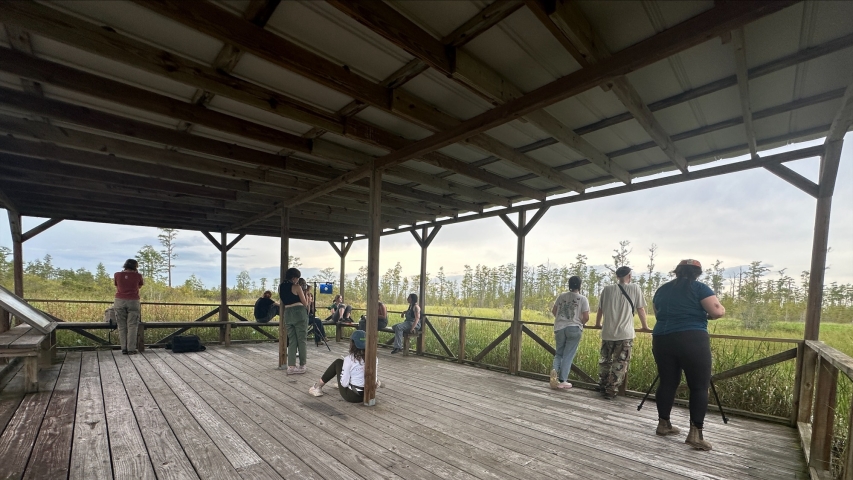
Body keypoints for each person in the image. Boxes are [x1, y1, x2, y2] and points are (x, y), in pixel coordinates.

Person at [652, 259, 725, 451]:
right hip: (692, 338)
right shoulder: (699, 288)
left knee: (667, 382)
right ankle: (695, 435)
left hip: (662, 338)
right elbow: (717, 311)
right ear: (697, 273)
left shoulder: (662, 290)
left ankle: (663, 424)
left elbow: (658, 312)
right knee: (699, 386)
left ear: (677, 271)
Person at [594, 266, 651, 399]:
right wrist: (645, 326)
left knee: (605, 361)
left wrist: (597, 324)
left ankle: (602, 385)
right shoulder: (635, 288)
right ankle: (611, 389)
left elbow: (600, 309)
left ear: (617, 276)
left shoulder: (607, 289)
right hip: (625, 334)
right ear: (629, 276)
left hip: (607, 332)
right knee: (620, 362)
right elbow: (640, 309)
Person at [308, 330, 382, 401]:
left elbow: (344, 384)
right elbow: (374, 380)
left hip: (353, 396)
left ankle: (317, 387)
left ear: (352, 344)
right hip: (368, 395)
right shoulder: (374, 358)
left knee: (338, 362)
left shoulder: (349, 359)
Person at [549, 276, 590, 390]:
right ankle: (563, 380)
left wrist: (562, 319)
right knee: (568, 355)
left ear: (569, 285)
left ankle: (555, 370)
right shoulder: (582, 299)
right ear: (580, 285)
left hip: (560, 327)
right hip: (574, 328)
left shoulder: (561, 296)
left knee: (559, 354)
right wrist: (581, 322)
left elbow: (554, 311)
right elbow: (586, 317)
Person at [279, 268, 309, 374]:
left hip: (287, 313)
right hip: (299, 312)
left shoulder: (281, 287)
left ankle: (291, 366)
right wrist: (306, 295)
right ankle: (302, 365)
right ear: (294, 278)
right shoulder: (296, 286)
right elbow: (305, 303)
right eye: (297, 278)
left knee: (292, 340)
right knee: (302, 339)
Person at [113, 259, 144, 355]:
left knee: (121, 325)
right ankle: (131, 348)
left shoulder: (117, 275)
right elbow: (139, 286)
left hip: (119, 301)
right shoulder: (138, 276)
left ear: (125, 265)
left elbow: (116, 285)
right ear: (135, 266)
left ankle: (123, 348)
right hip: (133, 301)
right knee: (132, 325)